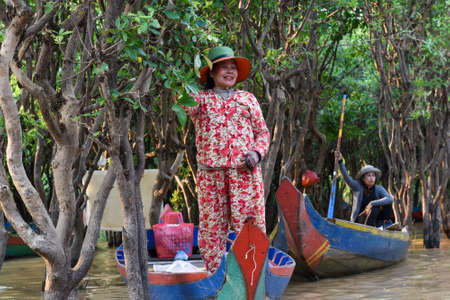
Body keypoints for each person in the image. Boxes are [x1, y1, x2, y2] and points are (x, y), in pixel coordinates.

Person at [183, 46, 270, 272]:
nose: (230, 72)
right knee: (212, 231)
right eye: (224, 68)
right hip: (211, 177)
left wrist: (256, 153)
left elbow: (263, 133)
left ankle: (252, 277)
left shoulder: (248, 99)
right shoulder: (199, 99)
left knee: (250, 226)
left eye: (233, 68)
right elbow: (180, 100)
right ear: (211, 73)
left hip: (245, 175)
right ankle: (215, 278)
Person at [335, 151, 394, 228]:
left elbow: (390, 199)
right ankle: (368, 229)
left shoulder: (378, 189)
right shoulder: (357, 187)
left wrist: (372, 203)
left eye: (373, 176)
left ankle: (385, 225)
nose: (371, 178)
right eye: (368, 176)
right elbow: (347, 178)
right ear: (363, 178)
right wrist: (340, 161)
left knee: (384, 204)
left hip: (374, 220)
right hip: (360, 220)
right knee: (375, 208)